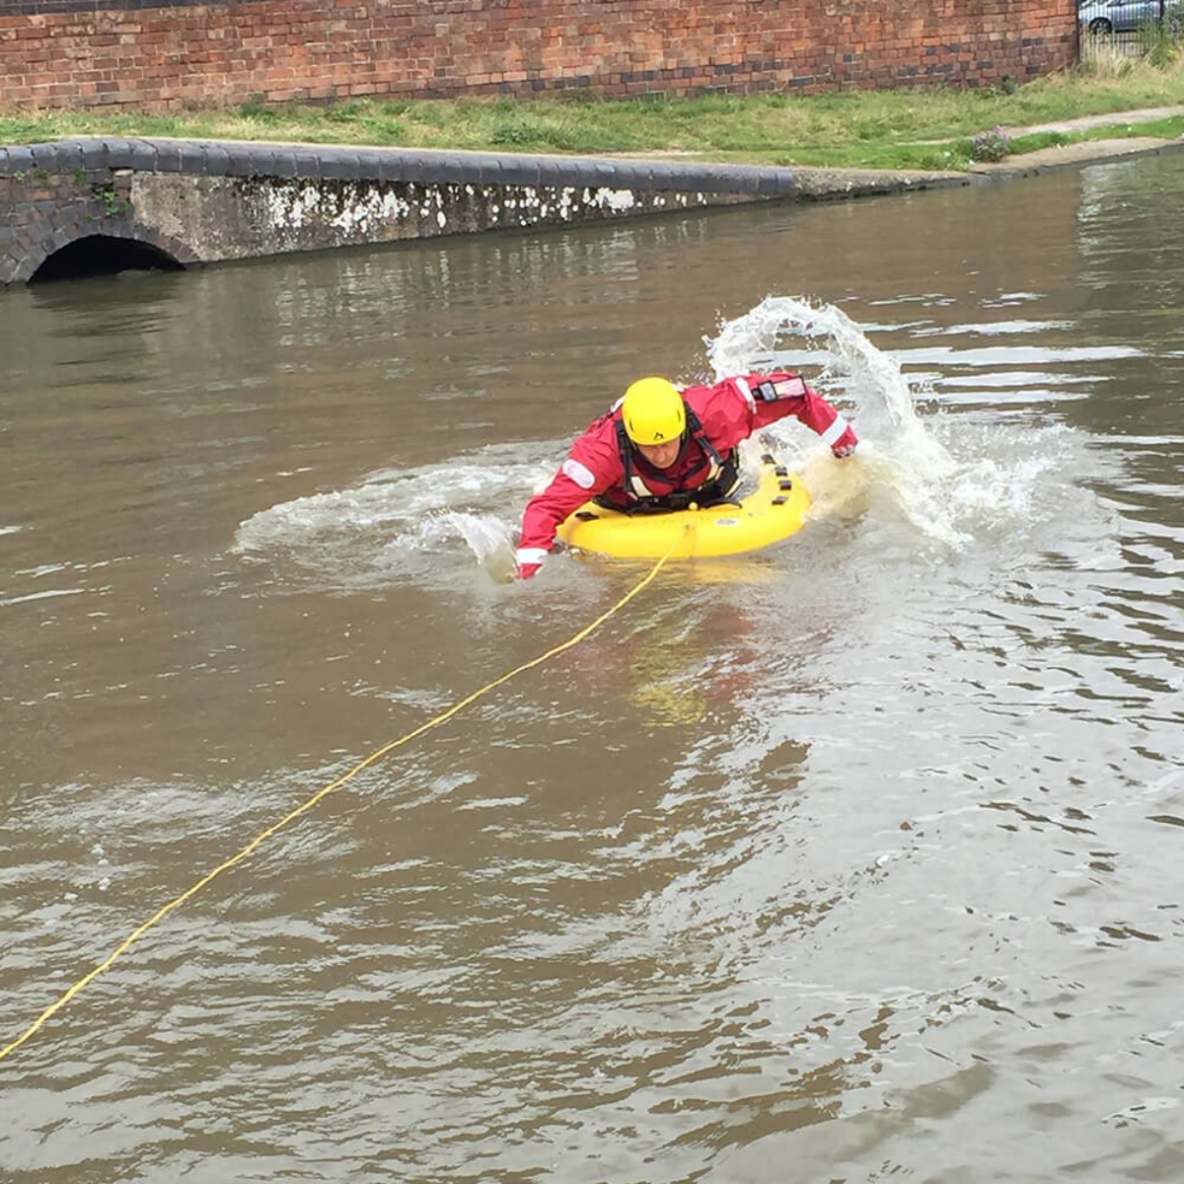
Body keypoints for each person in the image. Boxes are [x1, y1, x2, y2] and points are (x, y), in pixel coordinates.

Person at [514, 372, 858, 579]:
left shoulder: (719, 412)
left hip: (711, 490)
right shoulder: (601, 452)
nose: (661, 454)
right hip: (630, 505)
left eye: (668, 444)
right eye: (650, 448)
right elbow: (546, 507)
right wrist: (530, 561)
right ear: (632, 438)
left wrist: (845, 447)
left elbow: (797, 394)